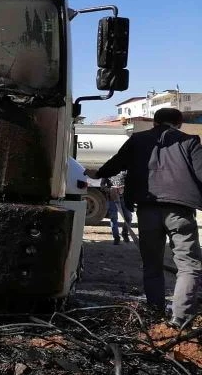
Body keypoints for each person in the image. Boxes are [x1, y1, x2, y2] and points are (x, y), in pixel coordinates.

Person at [87, 108, 202, 328]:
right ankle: (180, 320)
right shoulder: (189, 141)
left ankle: (155, 313)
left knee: (151, 264)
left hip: (147, 209)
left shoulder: (138, 139)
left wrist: (98, 173)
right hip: (180, 210)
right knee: (188, 265)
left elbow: (116, 163)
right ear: (179, 124)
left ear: (154, 122)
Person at [101, 178, 130, 245]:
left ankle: (125, 233)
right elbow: (102, 186)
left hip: (124, 198)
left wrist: (124, 188)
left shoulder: (125, 172)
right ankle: (116, 237)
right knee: (114, 218)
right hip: (112, 198)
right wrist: (110, 190)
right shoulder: (107, 172)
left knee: (128, 217)